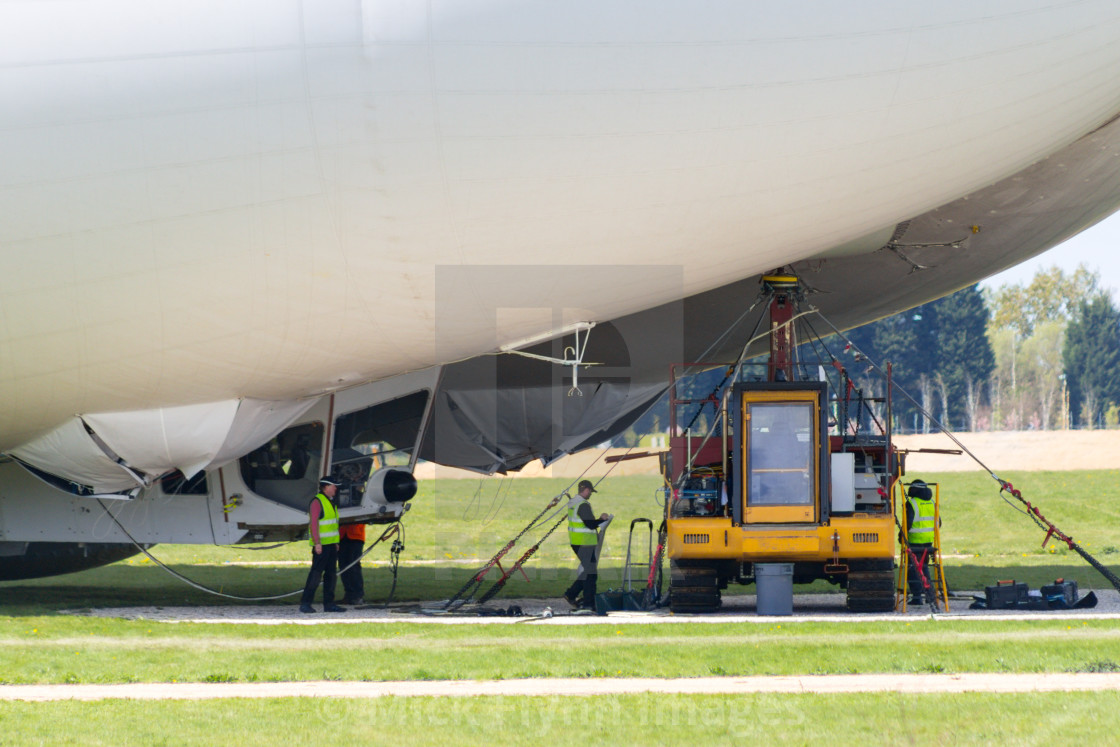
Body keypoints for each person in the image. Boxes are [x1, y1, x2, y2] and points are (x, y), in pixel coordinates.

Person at [299, 478, 346, 613]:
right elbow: (314, 523)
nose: (336, 489)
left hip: (331, 545)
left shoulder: (331, 502)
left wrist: (336, 542)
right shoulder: (317, 501)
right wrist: (317, 543)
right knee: (316, 574)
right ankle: (306, 603)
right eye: (333, 486)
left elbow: (333, 525)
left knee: (331, 575)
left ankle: (329, 604)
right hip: (322, 546)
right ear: (325, 487)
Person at [562, 479, 610, 610]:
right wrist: (602, 519)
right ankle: (589, 603)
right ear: (587, 490)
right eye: (590, 492)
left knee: (589, 572)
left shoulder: (573, 503)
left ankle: (571, 594)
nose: (590, 494)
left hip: (577, 541)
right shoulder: (583, 505)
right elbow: (589, 524)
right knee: (591, 574)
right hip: (584, 543)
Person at [904, 479, 939, 605]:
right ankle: (930, 596)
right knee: (924, 568)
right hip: (928, 543)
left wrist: (900, 536)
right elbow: (938, 523)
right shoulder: (932, 502)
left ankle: (917, 596)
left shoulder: (912, 503)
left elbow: (908, 523)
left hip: (914, 542)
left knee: (913, 569)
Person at [338, 522, 366, 605]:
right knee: (343, 567)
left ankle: (357, 595)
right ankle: (349, 595)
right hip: (342, 536)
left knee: (354, 567)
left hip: (356, 536)